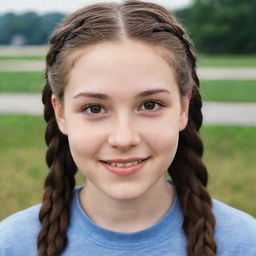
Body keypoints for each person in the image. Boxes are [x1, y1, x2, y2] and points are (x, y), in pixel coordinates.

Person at [0, 1, 256, 255]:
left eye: (150, 104)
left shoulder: (244, 243)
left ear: (183, 108)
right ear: (60, 113)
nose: (124, 138)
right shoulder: (11, 245)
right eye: (95, 108)